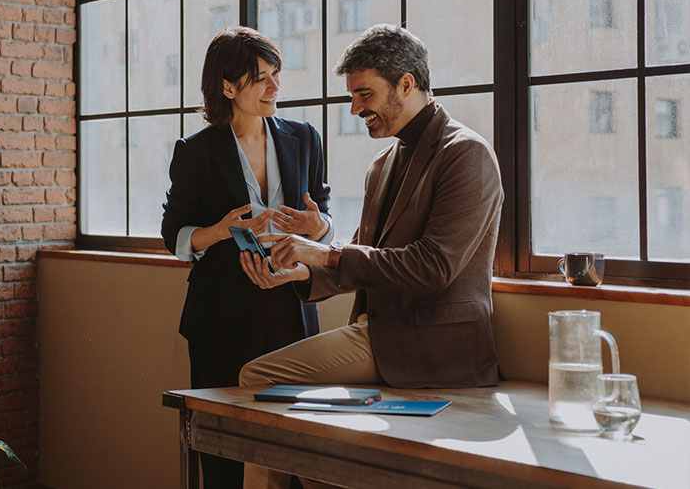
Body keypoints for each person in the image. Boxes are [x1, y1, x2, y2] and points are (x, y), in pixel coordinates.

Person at [237, 24, 504, 488]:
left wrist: (324, 257)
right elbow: (361, 260)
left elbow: (434, 266)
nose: (356, 108)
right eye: (353, 96)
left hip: (432, 345)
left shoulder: (467, 154)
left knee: (258, 377)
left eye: (365, 94)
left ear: (406, 83)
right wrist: (300, 271)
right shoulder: (382, 165)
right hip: (379, 332)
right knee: (314, 439)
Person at [161, 27, 333, 489]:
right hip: (220, 315)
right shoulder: (195, 152)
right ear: (228, 86)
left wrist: (319, 229)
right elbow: (172, 234)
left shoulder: (305, 138)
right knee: (221, 447)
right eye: (261, 78)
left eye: (276, 74)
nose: (275, 87)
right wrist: (220, 231)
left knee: (299, 444)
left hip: (292, 306)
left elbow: (325, 218)